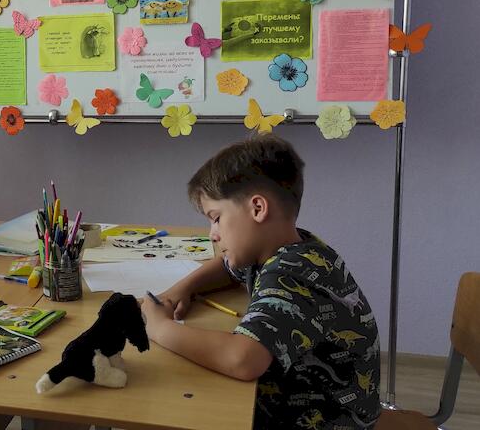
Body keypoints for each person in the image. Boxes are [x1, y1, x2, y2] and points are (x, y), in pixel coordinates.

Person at [141, 135, 380, 430]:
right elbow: (226, 267)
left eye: (216, 218)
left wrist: (159, 327)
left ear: (257, 208)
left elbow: (243, 360)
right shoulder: (288, 247)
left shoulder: (292, 274)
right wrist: (184, 289)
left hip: (324, 420)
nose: (212, 234)